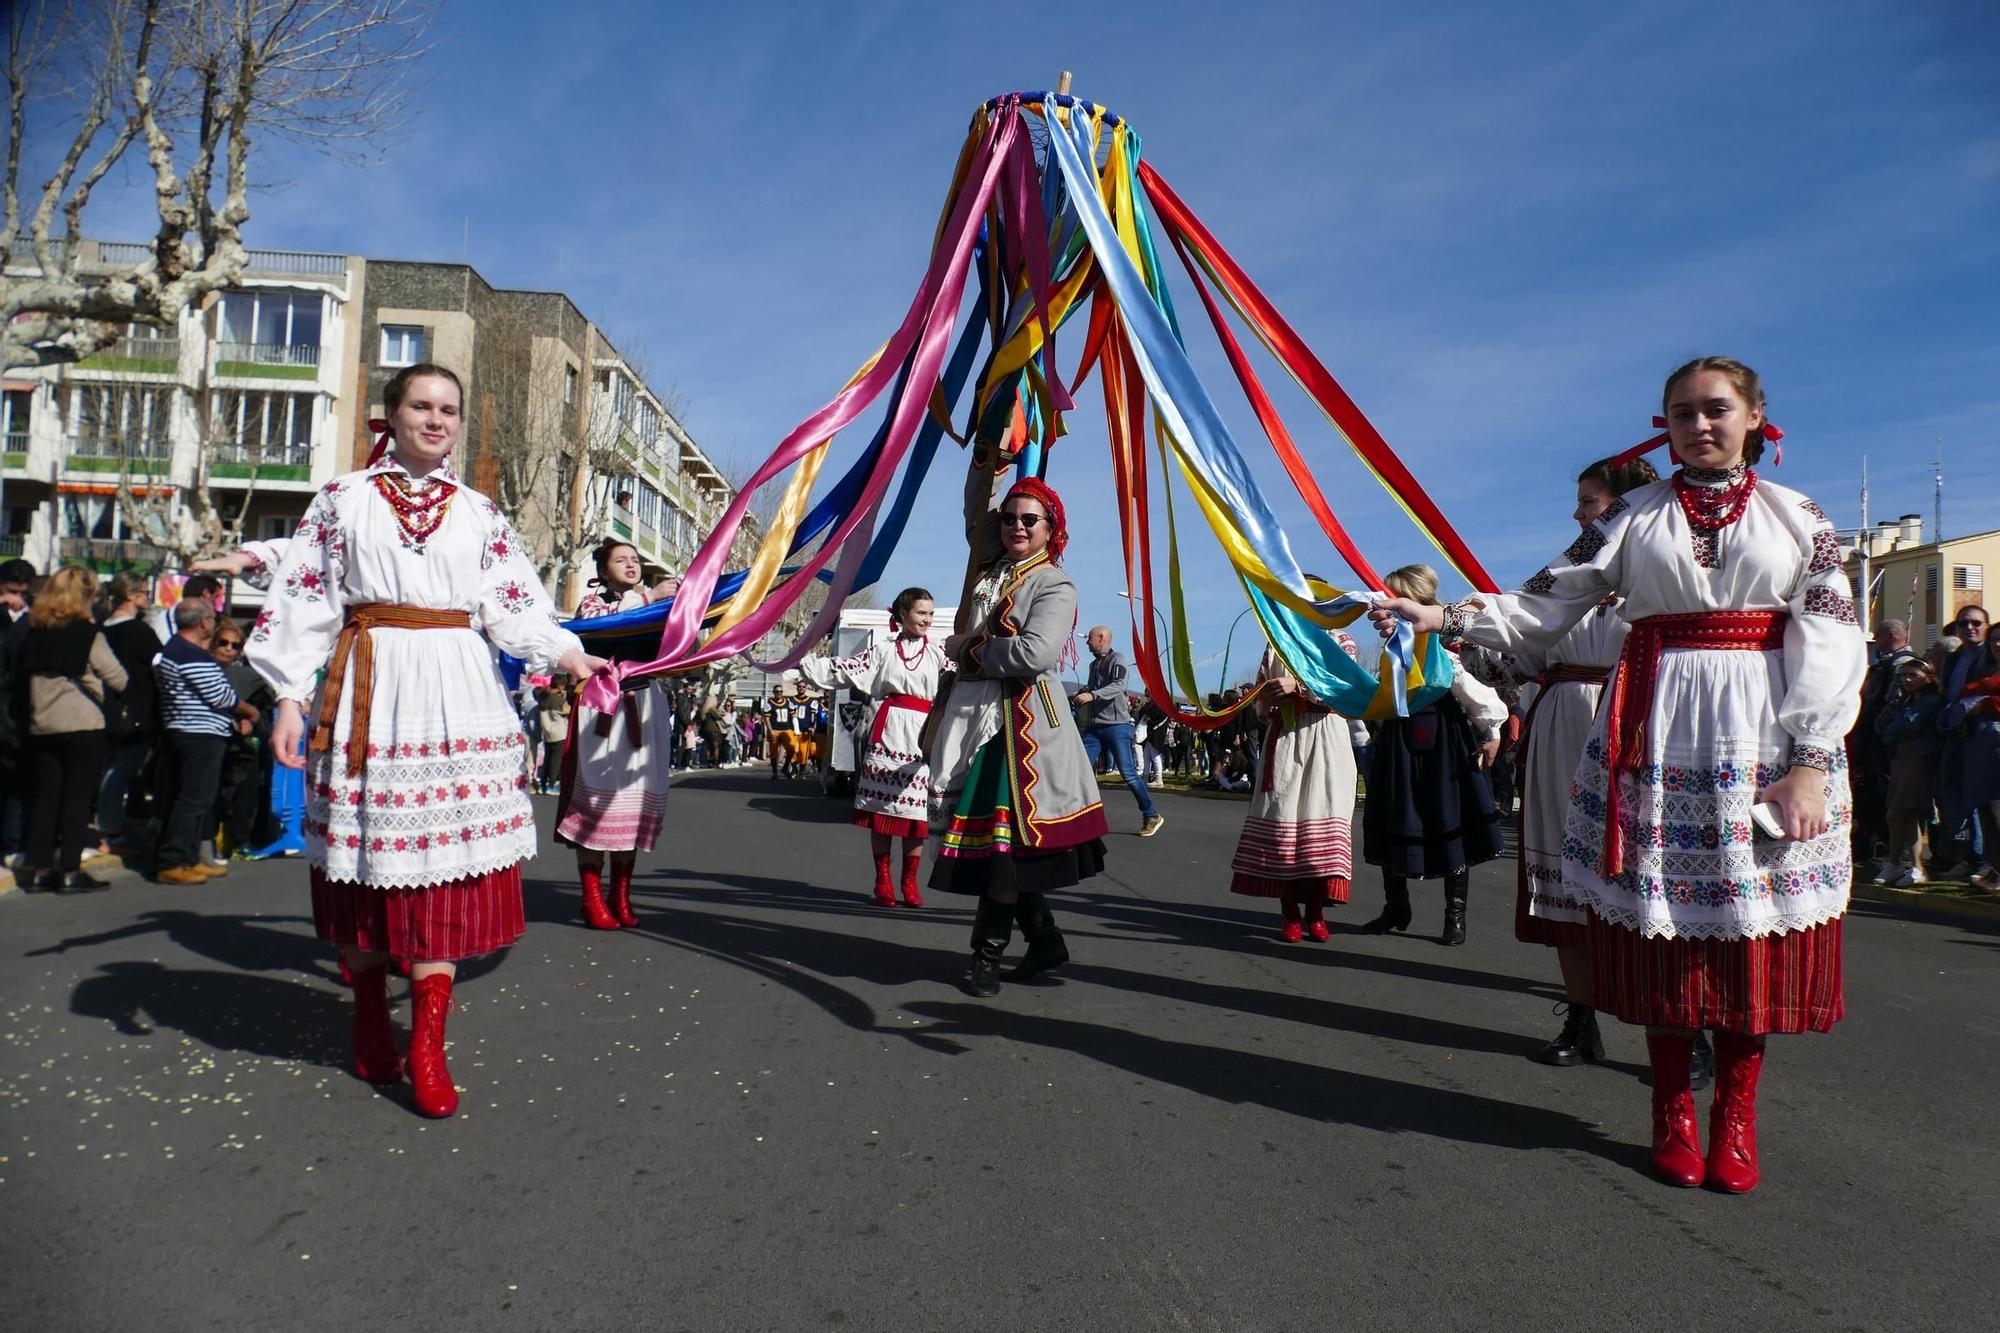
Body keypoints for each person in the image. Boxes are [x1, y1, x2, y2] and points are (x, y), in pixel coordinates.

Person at [1369, 356, 1863, 1194]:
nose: (1699, 426)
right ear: (1663, 426)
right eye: (1681, 414)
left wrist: (1813, 760)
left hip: (1762, 728)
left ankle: (1735, 1117)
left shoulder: (1798, 515)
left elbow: (1832, 634)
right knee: (1661, 927)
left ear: (1754, 417)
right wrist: (1442, 612)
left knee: (1754, 929)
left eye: (1716, 410)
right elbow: (1547, 598)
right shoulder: (1633, 515)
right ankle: (1671, 1109)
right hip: (1659, 724)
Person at [249, 363, 599, 1118]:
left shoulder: (479, 512)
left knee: (439, 876)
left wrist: (566, 651)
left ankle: (427, 1043)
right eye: (421, 405)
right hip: (371, 683)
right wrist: (287, 695)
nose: (436, 419)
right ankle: (371, 1010)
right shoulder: (342, 500)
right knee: (368, 867)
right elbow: (305, 600)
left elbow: (513, 605)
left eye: (448, 408)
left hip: (456, 689)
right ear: (392, 414)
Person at [1502, 456, 1659, 1067]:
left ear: (1623, 506)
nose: (1577, 512)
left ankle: (1678, 1030)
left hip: (1629, 720)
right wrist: (1461, 633)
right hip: (1560, 722)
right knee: (1566, 877)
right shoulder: (1565, 574)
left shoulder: (1658, 577)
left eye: (1589, 501)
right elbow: (1520, 644)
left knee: (1643, 872)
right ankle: (1582, 1019)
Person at [929, 472, 1108, 996]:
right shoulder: (989, 567)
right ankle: (1045, 939)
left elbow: (1036, 653)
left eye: (1030, 519)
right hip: (978, 723)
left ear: (1052, 529)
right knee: (1002, 849)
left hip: (1023, 731)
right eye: (1008, 518)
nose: (1016, 526)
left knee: (1005, 850)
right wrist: (993, 445)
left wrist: (966, 649)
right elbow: (976, 505)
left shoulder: (1053, 581)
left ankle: (986, 956)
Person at [1360, 563, 1508, 946]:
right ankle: (1397, 906)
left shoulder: (1440, 645)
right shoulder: (1392, 644)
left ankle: (1454, 916)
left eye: (1396, 596)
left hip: (1442, 741)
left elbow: (1470, 692)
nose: (1389, 603)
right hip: (1398, 739)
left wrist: (1491, 730)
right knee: (1394, 814)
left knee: (1449, 816)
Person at [555, 540, 676, 931]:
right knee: (599, 798)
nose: (631, 564)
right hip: (603, 704)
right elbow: (605, 625)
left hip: (645, 703)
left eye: (635, 559)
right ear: (604, 571)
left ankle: (620, 895)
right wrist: (649, 596)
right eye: (620, 560)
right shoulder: (593, 603)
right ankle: (591, 897)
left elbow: (678, 646)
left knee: (635, 799)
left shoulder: (656, 607)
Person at [800, 586, 948, 907]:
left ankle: (909, 882)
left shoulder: (938, 654)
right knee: (881, 812)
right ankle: (883, 879)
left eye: (931, 614)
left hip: (922, 738)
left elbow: (963, 681)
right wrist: (805, 662)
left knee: (915, 818)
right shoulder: (882, 650)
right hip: (889, 731)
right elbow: (843, 670)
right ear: (903, 614)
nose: (927, 619)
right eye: (921, 613)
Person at [1229, 638, 1360, 941]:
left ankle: (1316, 912)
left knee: (1321, 818)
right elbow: (1262, 692)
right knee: (1282, 822)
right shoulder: (1275, 641)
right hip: (1286, 736)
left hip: (1326, 737)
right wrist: (1269, 698)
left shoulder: (1341, 641)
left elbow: (1344, 690)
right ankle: (1290, 914)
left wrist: (1298, 688)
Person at [18, 566, 128, 892]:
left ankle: (38, 869)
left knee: (45, 797)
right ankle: (69, 870)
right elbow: (118, 678)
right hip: (83, 723)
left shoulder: (34, 632)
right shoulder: (88, 634)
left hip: (42, 724)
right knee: (77, 799)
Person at [153, 598, 253, 885]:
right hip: (199, 734)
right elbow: (221, 695)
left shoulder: (176, 650)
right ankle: (174, 861)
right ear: (203, 623)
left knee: (194, 798)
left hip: (186, 729)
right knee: (194, 799)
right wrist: (248, 710)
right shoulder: (190, 654)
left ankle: (188, 858)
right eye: (211, 618)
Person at [1076, 626, 1167, 836]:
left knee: (1128, 773)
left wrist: (1093, 695)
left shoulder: (1117, 659)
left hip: (1116, 726)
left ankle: (1151, 815)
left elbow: (1118, 685)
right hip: (1093, 727)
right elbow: (1093, 688)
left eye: (1090, 638)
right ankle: (1079, 816)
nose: (1087, 642)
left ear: (1101, 639)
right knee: (1080, 769)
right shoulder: (1093, 665)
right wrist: (1083, 693)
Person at [96, 574, 163, 852]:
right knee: (121, 771)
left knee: (110, 770)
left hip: (105, 709)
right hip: (137, 711)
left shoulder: (102, 629)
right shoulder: (139, 632)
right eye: (145, 593)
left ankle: (113, 823)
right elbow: (161, 666)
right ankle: (111, 827)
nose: (147, 599)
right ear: (132, 596)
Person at [1937, 607, 1998, 886]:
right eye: (1964, 623)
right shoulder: (1953, 659)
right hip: (1956, 733)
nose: (1970, 628)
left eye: (1976, 623)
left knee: (1988, 801)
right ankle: (1969, 856)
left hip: (1986, 735)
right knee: (1961, 796)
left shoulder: (1991, 656)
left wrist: (1973, 708)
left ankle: (1985, 861)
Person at [1854, 619, 1920, 870]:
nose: (1875, 643)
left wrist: (1881, 731)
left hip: (1888, 743)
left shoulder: (1903, 663)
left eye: (1878, 636)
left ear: (1891, 635)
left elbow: (1894, 703)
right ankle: (1881, 845)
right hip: (1876, 742)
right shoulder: (1886, 663)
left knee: (1893, 797)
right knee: (1879, 794)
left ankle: (1898, 851)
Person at [1874, 658, 1944, 886]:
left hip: (1918, 759)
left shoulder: (1930, 701)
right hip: (1902, 759)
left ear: (1928, 678)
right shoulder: (1906, 701)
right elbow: (1887, 726)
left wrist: (1891, 734)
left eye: (1913, 675)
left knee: (1896, 813)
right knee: (1907, 815)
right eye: (1904, 675)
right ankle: (1914, 866)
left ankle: (1896, 862)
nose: (1907, 680)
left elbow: (1906, 725)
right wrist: (1891, 734)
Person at [211, 617, 275, 857]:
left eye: (235, 645)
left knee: (244, 796)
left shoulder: (247, 676)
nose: (228, 648)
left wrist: (249, 719)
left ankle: (241, 840)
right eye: (223, 642)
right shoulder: (203, 668)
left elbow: (260, 706)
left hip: (243, 747)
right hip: (212, 741)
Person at [0, 556, 35, 866]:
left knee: (17, 782)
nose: (16, 600)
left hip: (17, 713)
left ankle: (13, 843)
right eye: (12, 591)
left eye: (23, 593)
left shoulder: (34, 618)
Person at [537, 683, 570, 796]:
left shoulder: (543, 699)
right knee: (556, 760)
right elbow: (568, 711)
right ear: (560, 686)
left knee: (547, 759)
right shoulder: (559, 700)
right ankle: (552, 785)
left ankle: (543, 785)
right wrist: (564, 697)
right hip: (559, 733)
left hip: (547, 733)